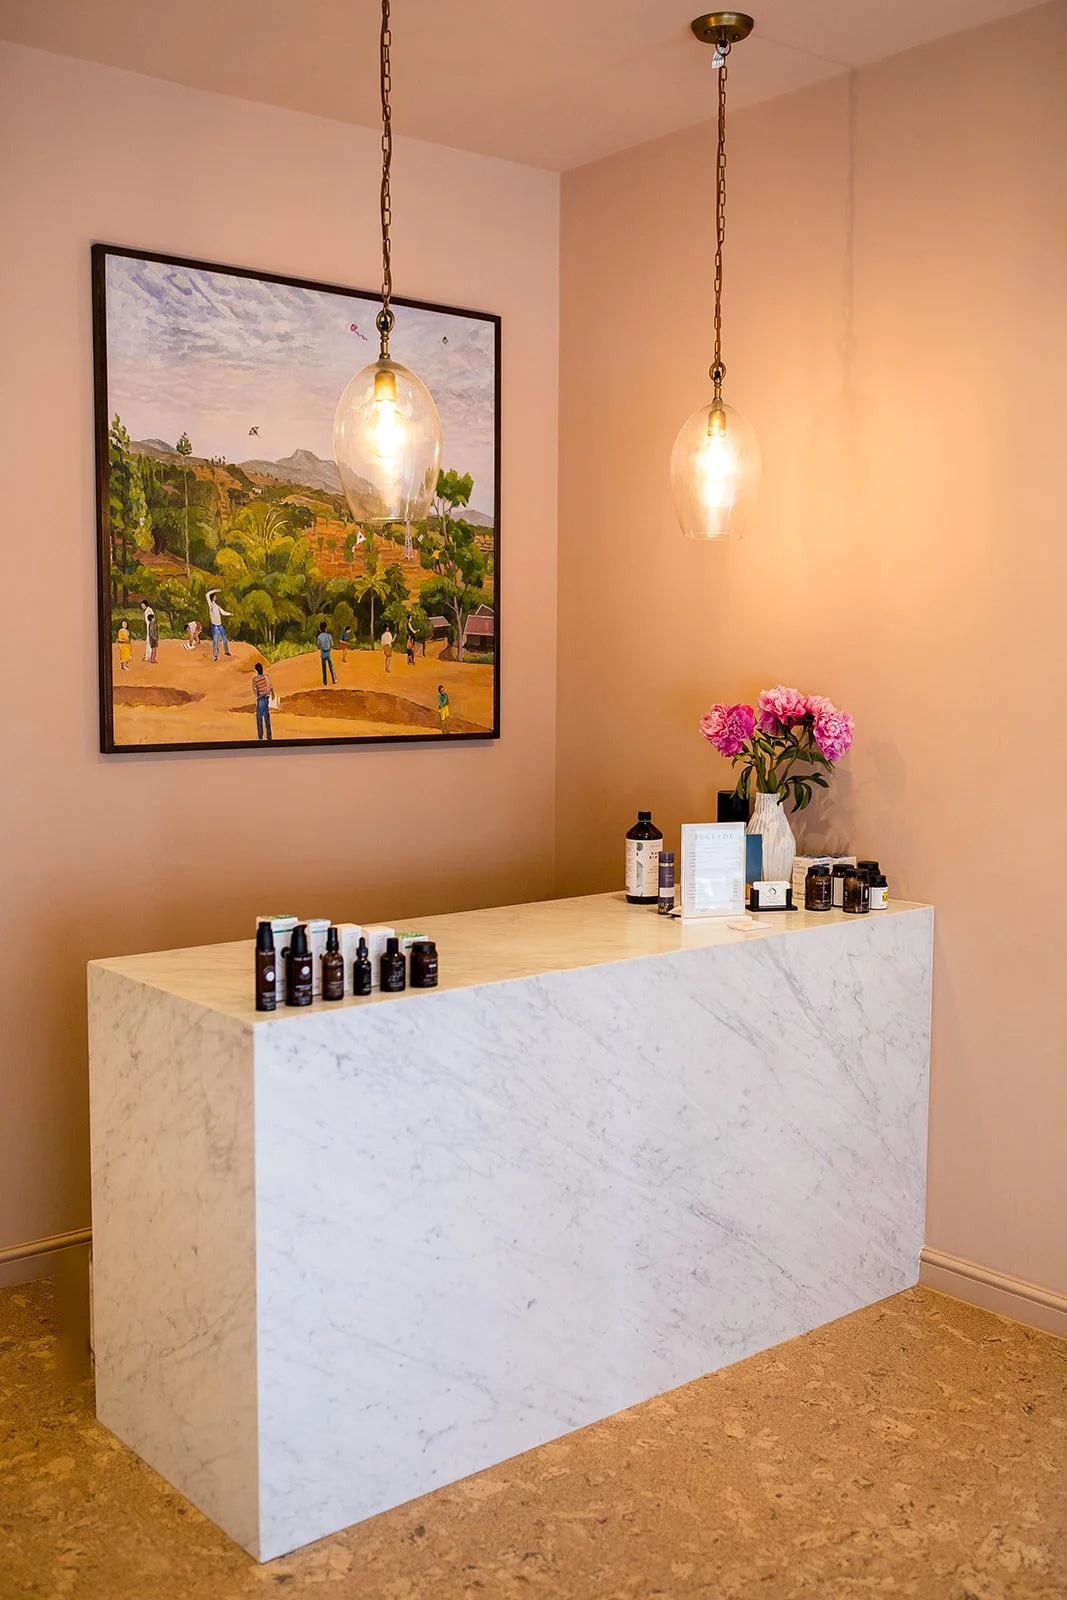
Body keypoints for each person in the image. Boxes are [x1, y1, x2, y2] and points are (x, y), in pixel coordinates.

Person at [206, 589, 232, 661]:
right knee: (215, 640)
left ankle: (226, 651)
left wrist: (229, 614)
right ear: (212, 597)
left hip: (220, 625)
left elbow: (223, 612)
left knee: (224, 638)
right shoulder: (211, 605)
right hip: (215, 626)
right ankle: (215, 655)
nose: (215, 597)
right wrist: (216, 590)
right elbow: (207, 594)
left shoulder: (216, 606)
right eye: (214, 596)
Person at [251, 660, 273, 742]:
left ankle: (260, 736)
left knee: (259, 718)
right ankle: (269, 736)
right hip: (266, 698)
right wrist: (269, 694)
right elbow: (269, 686)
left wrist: (258, 696)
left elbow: (255, 690)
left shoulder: (255, 679)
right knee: (267, 718)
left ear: (256, 670)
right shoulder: (266, 676)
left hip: (261, 699)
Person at [317, 620, 336, 685]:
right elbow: (332, 644)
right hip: (328, 652)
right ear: (325, 628)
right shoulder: (329, 636)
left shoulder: (319, 636)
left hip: (322, 653)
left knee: (324, 667)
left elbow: (318, 646)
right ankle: (334, 679)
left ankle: (325, 681)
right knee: (331, 666)